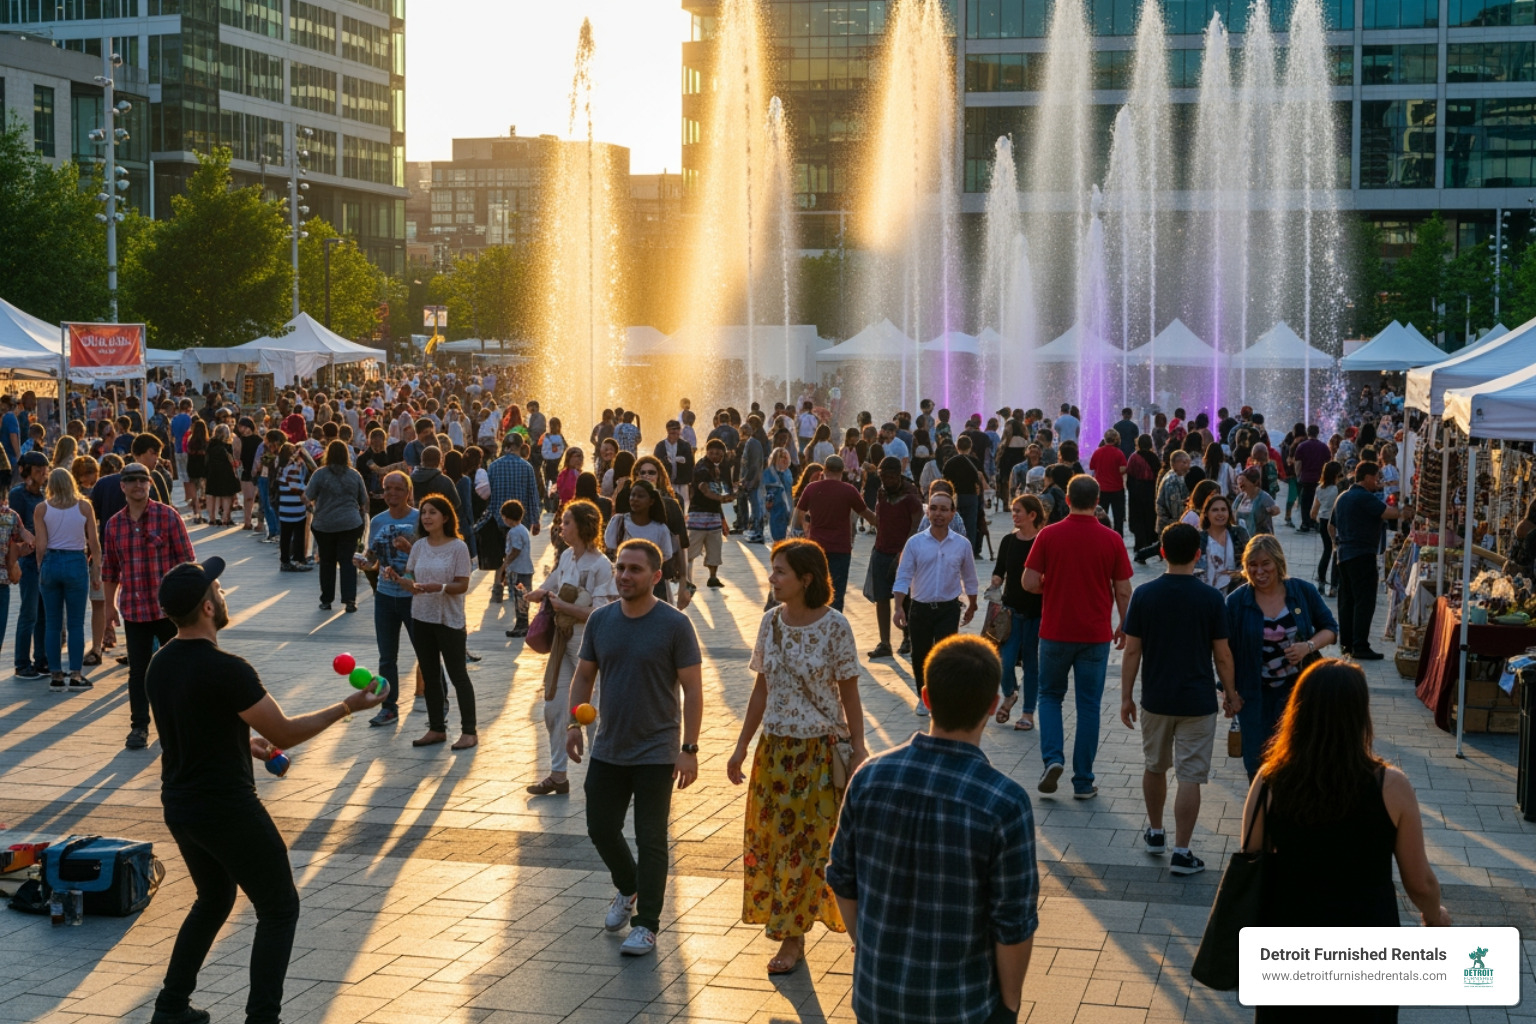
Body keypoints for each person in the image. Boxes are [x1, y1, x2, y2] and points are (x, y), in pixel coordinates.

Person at [146, 556, 388, 1024]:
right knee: (278, 908)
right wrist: (347, 705)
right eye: (218, 589)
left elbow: (192, 722)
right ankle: (263, 1019)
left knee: (214, 899)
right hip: (227, 807)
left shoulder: (160, 663)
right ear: (208, 608)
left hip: (181, 804)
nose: (224, 594)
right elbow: (287, 729)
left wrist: (245, 741)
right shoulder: (228, 668)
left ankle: (171, 1007)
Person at [826, 634, 1038, 1024]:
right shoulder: (1004, 803)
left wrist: (869, 948)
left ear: (925, 697)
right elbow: (1013, 922)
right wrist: (1009, 1006)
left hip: (877, 999)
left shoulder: (869, 778)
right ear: (992, 706)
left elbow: (842, 879)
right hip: (960, 1005)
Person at [1241, 660, 1450, 1024]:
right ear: (1360, 717)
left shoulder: (1269, 781)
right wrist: (1435, 917)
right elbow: (1419, 881)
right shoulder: (1391, 786)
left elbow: (1250, 858)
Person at [726, 540, 866, 975]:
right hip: (776, 753)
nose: (772, 578)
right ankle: (792, 936)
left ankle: (862, 934)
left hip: (820, 755)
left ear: (806, 579)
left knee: (825, 849)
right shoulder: (770, 623)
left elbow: (850, 693)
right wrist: (741, 745)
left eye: (780, 571)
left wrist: (859, 748)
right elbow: (761, 689)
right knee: (780, 846)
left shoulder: (835, 626)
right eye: (772, 570)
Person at [566, 538, 704, 957]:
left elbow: (693, 691)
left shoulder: (675, 624)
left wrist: (690, 749)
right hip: (608, 745)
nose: (625, 575)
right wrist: (573, 722)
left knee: (651, 838)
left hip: (656, 751)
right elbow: (584, 677)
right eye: (621, 568)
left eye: (635, 569)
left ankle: (647, 924)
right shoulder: (600, 620)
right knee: (600, 828)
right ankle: (628, 887)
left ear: (656, 576)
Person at [1120, 523, 1240, 876]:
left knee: (1154, 765)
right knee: (1191, 775)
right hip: (1197, 700)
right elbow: (1223, 655)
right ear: (1198, 555)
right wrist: (1230, 694)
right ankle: (1182, 851)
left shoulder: (1145, 595)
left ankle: (1155, 832)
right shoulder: (1211, 598)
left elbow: (1131, 651)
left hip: (1156, 697)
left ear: (1162, 553)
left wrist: (1126, 697)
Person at [1024, 474, 1133, 800]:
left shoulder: (1048, 535)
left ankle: (1052, 759)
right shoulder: (1111, 539)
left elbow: (1029, 582)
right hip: (1095, 635)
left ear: (1067, 500)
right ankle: (1083, 781)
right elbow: (1124, 590)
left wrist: (1052, 584)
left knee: (1049, 696)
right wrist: (1123, 625)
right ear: (1097, 501)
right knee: (1088, 706)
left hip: (1055, 632)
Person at [1226, 534, 1338, 779]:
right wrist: (1228, 692)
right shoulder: (1236, 602)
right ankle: (1261, 812)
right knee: (1257, 765)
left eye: (1265, 563)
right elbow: (1224, 652)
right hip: (1253, 695)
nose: (1259, 571)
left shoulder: (1301, 592)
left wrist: (1307, 646)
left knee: (1297, 759)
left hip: (1296, 692)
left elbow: (1330, 629)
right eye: (1252, 565)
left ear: (1278, 562)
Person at [526, 500, 619, 794]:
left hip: (589, 645)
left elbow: (600, 611)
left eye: (567, 522)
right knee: (554, 707)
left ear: (583, 526)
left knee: (589, 712)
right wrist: (536, 593)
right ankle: (558, 775)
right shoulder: (567, 556)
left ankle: (603, 776)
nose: (561, 527)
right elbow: (552, 582)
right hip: (562, 640)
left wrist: (562, 605)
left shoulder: (601, 565)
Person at [103, 462, 196, 749]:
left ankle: (180, 725)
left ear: (150, 484)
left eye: (143, 480)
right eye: (131, 480)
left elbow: (188, 562)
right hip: (134, 609)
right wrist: (109, 609)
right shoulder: (114, 524)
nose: (138, 485)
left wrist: (191, 603)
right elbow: (109, 571)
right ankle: (139, 727)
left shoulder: (168, 517)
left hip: (169, 609)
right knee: (138, 672)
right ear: (123, 486)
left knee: (176, 669)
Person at [389, 495, 477, 751]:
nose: (426, 517)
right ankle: (436, 728)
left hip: (449, 620)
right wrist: (398, 578)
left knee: (457, 674)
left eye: (433, 513)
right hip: (421, 617)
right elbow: (411, 577)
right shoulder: (419, 546)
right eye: (424, 512)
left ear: (446, 517)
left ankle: (469, 731)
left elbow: (463, 584)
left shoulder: (458, 547)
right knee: (429, 674)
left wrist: (440, 587)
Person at [892, 489, 978, 715]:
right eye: (933, 508)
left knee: (945, 655)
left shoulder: (962, 545)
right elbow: (903, 575)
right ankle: (924, 696)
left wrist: (973, 603)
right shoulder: (915, 544)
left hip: (948, 608)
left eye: (943, 509)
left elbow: (969, 576)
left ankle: (942, 697)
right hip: (920, 608)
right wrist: (898, 606)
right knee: (920, 654)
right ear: (927, 511)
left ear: (952, 514)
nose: (938, 513)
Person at [1332, 461, 1412, 661]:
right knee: (1364, 601)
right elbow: (1388, 513)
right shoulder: (1364, 497)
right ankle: (1360, 645)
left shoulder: (1342, 498)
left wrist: (1337, 544)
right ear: (1366, 477)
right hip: (1362, 555)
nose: (1378, 481)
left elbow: (1330, 526)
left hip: (1344, 555)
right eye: (1376, 477)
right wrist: (1405, 510)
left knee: (1347, 601)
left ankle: (1347, 643)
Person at [34, 467, 102, 692]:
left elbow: (41, 545)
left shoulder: (42, 509)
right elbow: (94, 542)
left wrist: (40, 568)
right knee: (75, 623)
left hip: (51, 562)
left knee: (52, 624)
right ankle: (75, 674)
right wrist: (96, 572)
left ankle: (55, 675)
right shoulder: (84, 506)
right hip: (75, 562)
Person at [359, 471, 418, 728]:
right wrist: (364, 563)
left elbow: (429, 555)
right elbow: (373, 559)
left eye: (397, 488)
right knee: (386, 657)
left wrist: (410, 548)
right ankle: (389, 707)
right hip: (385, 596)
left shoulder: (420, 518)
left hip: (414, 596)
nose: (392, 493)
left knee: (425, 652)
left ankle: (440, 706)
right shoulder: (379, 520)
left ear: (408, 492)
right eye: (387, 488)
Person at [792, 455, 878, 611]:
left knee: (815, 589)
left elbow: (800, 511)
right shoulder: (849, 490)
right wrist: (885, 523)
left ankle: (814, 623)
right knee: (837, 592)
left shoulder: (811, 488)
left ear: (824, 470)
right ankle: (834, 627)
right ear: (842, 471)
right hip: (841, 548)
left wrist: (806, 528)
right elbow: (867, 515)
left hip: (816, 547)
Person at [992, 494, 1045, 732]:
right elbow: (999, 571)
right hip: (1010, 613)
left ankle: (1027, 713)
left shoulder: (1043, 542)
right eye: (1013, 510)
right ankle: (1010, 694)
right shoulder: (1008, 541)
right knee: (1005, 661)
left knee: (1032, 665)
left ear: (1032, 515)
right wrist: (992, 587)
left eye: (1018, 511)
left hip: (1036, 613)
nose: (1013, 515)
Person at [305, 440, 369, 614]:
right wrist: (361, 516)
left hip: (324, 524)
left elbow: (307, 496)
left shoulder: (319, 474)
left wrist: (313, 509)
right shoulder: (354, 475)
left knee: (327, 562)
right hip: (350, 523)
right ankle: (349, 600)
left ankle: (326, 600)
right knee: (349, 561)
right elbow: (363, 500)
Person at [482, 435, 543, 603]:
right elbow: (533, 495)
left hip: (498, 519)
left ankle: (497, 590)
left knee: (501, 555)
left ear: (505, 446)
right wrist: (535, 520)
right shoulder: (527, 467)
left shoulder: (493, 466)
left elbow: (488, 495)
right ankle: (515, 590)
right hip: (519, 522)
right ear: (520, 446)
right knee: (516, 556)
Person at [606, 480, 674, 600]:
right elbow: (610, 549)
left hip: (650, 586)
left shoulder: (660, 528)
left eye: (640, 496)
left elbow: (666, 555)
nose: (635, 499)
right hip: (623, 582)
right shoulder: (619, 522)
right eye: (633, 495)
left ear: (651, 501)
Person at [687, 439, 735, 590]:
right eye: (712, 453)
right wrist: (722, 498)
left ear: (723, 454)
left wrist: (722, 518)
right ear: (707, 452)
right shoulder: (702, 468)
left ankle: (713, 578)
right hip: (698, 514)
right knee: (691, 551)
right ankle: (687, 579)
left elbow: (718, 491)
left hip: (713, 514)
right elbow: (704, 489)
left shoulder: (719, 468)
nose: (715, 456)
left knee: (715, 548)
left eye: (718, 454)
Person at [1196, 493, 1249, 594]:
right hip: (1206, 593)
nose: (1220, 514)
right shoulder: (1199, 538)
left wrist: (1235, 574)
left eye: (1223, 510)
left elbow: (1250, 561)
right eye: (1215, 510)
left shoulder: (1239, 534)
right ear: (1206, 513)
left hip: (1235, 592)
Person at [498, 499, 535, 638]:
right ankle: (522, 625)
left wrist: (506, 563)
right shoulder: (523, 528)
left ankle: (522, 627)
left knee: (520, 599)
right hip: (526, 569)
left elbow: (516, 549)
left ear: (507, 517)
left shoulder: (514, 532)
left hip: (520, 570)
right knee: (523, 599)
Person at [1088, 429, 1129, 535]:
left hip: (1101, 489)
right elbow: (1123, 469)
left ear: (1105, 439)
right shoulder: (1119, 453)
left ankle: (1100, 536)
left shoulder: (1098, 452)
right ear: (1116, 440)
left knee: (1100, 517)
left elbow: (1092, 466)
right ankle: (1118, 538)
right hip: (1117, 489)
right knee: (1118, 518)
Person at [1312, 460, 1342, 596]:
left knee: (1326, 551)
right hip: (1334, 522)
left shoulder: (1320, 489)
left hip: (1323, 521)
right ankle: (1334, 586)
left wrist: (1318, 518)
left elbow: (1313, 512)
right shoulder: (1337, 490)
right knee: (1336, 552)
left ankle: (1321, 583)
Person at [1126, 434, 1160, 554]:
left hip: (1136, 491)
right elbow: (1158, 475)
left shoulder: (1134, 457)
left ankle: (1139, 544)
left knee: (1138, 518)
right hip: (1150, 490)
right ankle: (1150, 543)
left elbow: (1129, 475)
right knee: (1149, 516)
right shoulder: (1154, 458)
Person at [763, 447, 795, 543]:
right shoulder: (769, 473)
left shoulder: (788, 472)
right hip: (775, 507)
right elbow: (765, 489)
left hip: (787, 507)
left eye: (786, 457)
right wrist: (768, 500)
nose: (785, 460)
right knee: (777, 533)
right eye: (781, 457)